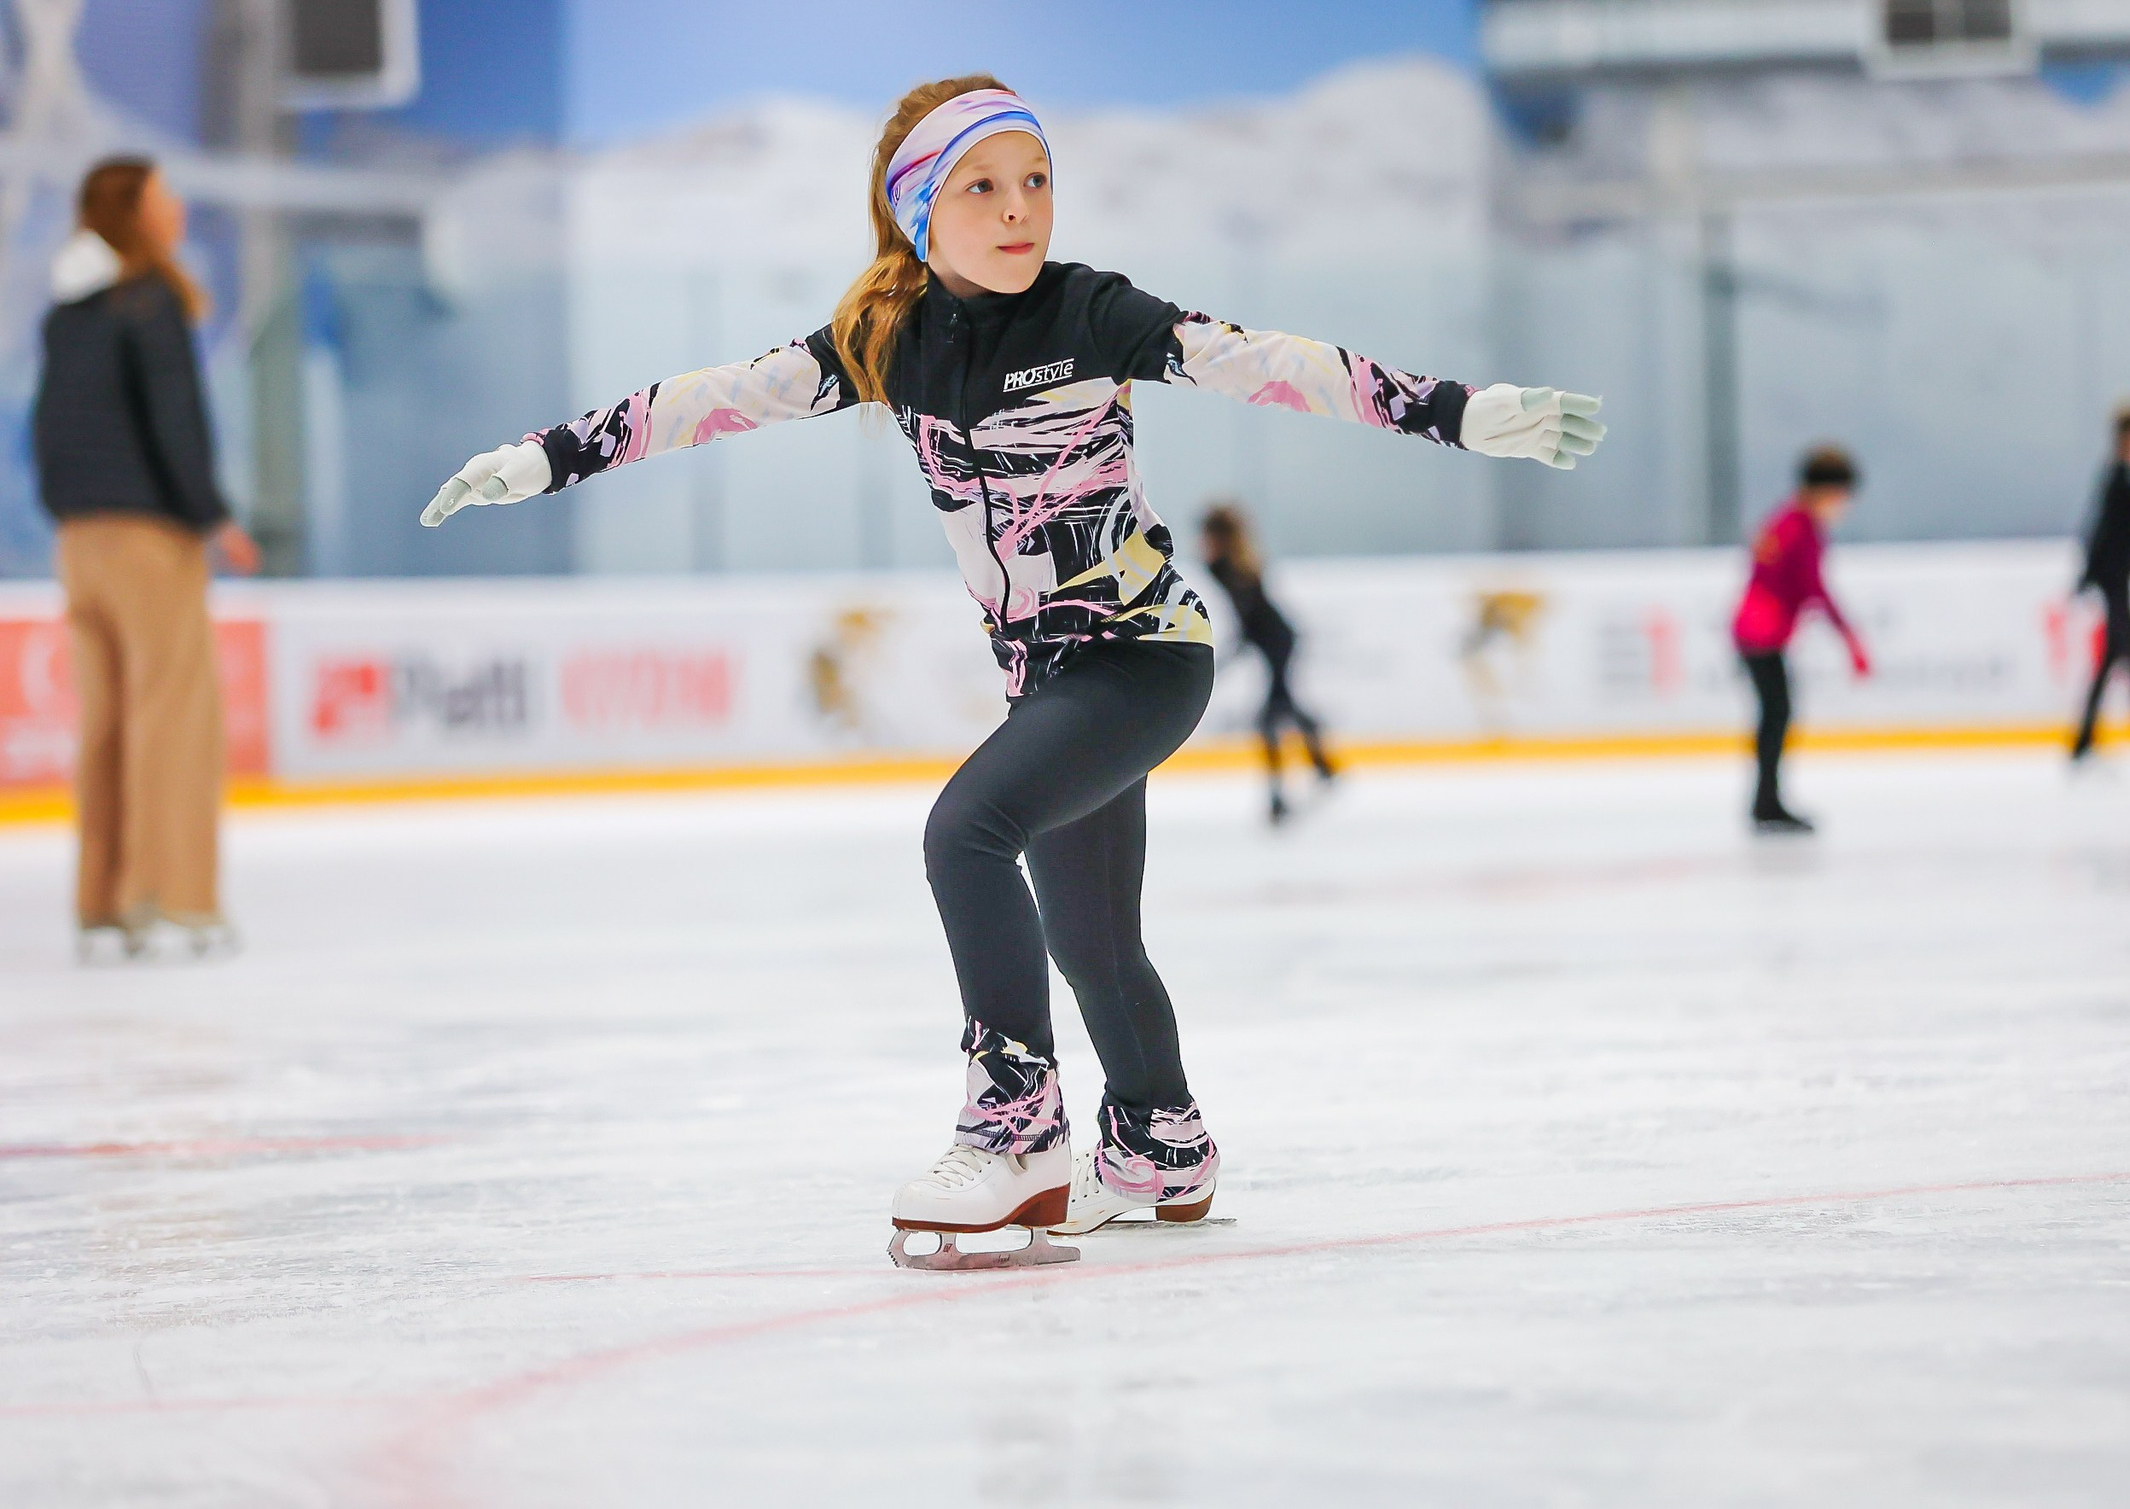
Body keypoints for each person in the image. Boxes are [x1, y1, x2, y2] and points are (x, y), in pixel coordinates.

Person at [420, 77, 1603, 1267]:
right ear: (919, 211)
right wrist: (542, 459)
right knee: (1092, 939)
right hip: (1049, 686)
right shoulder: (883, 343)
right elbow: (711, 402)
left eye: (1035, 180)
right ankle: (1160, 1143)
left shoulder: (1090, 312)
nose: (1018, 208)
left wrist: (1452, 412)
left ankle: (1017, 1126)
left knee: (963, 833)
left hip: (1143, 658)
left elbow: (1264, 363)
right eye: (982, 187)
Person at [32, 156, 261, 965]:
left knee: (106, 721)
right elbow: (176, 422)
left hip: (79, 539)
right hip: (146, 536)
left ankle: (102, 901)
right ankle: (172, 896)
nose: (178, 209)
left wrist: (68, 512)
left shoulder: (69, 312)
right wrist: (214, 517)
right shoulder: (151, 299)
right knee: (174, 713)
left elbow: (47, 429)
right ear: (132, 212)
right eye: (165, 197)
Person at [1732, 446, 1869, 834]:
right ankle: (1766, 802)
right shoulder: (1798, 528)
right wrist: (1851, 640)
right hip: (1761, 634)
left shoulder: (1787, 522)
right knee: (1776, 715)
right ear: (1828, 491)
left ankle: (1767, 800)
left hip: (1758, 632)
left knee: (1776, 715)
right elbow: (1813, 589)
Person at [1196, 503, 1336, 825]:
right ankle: (1320, 765)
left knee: (1270, 715)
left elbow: (1249, 612)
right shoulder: (1235, 563)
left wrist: (1236, 646)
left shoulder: (1232, 565)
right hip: (1273, 640)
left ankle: (1279, 796)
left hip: (1278, 641)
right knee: (1284, 705)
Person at [2070, 403, 2130, 761]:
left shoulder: (2124, 478)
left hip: (2118, 583)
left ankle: (2083, 743)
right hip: (2116, 584)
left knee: (2115, 660)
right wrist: (2093, 575)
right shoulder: (2119, 480)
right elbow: (2103, 534)